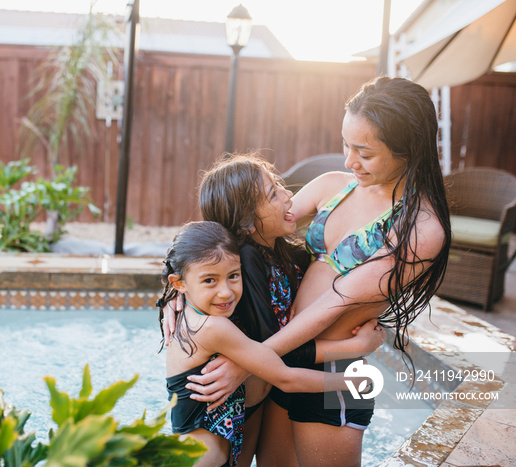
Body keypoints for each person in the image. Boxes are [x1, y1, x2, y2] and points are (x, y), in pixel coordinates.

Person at [166, 76, 451, 466]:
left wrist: (247, 360)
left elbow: (336, 303)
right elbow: (244, 226)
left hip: (328, 372)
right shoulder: (335, 186)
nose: (349, 161)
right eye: (345, 145)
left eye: (364, 152)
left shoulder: (419, 230)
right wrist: (180, 294)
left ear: (408, 150)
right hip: (282, 361)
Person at [159, 221, 384, 467]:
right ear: (178, 283)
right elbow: (286, 378)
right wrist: (352, 382)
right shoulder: (213, 327)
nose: (226, 292)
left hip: (220, 448)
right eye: (210, 281)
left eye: (233, 276)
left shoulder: (194, 315)